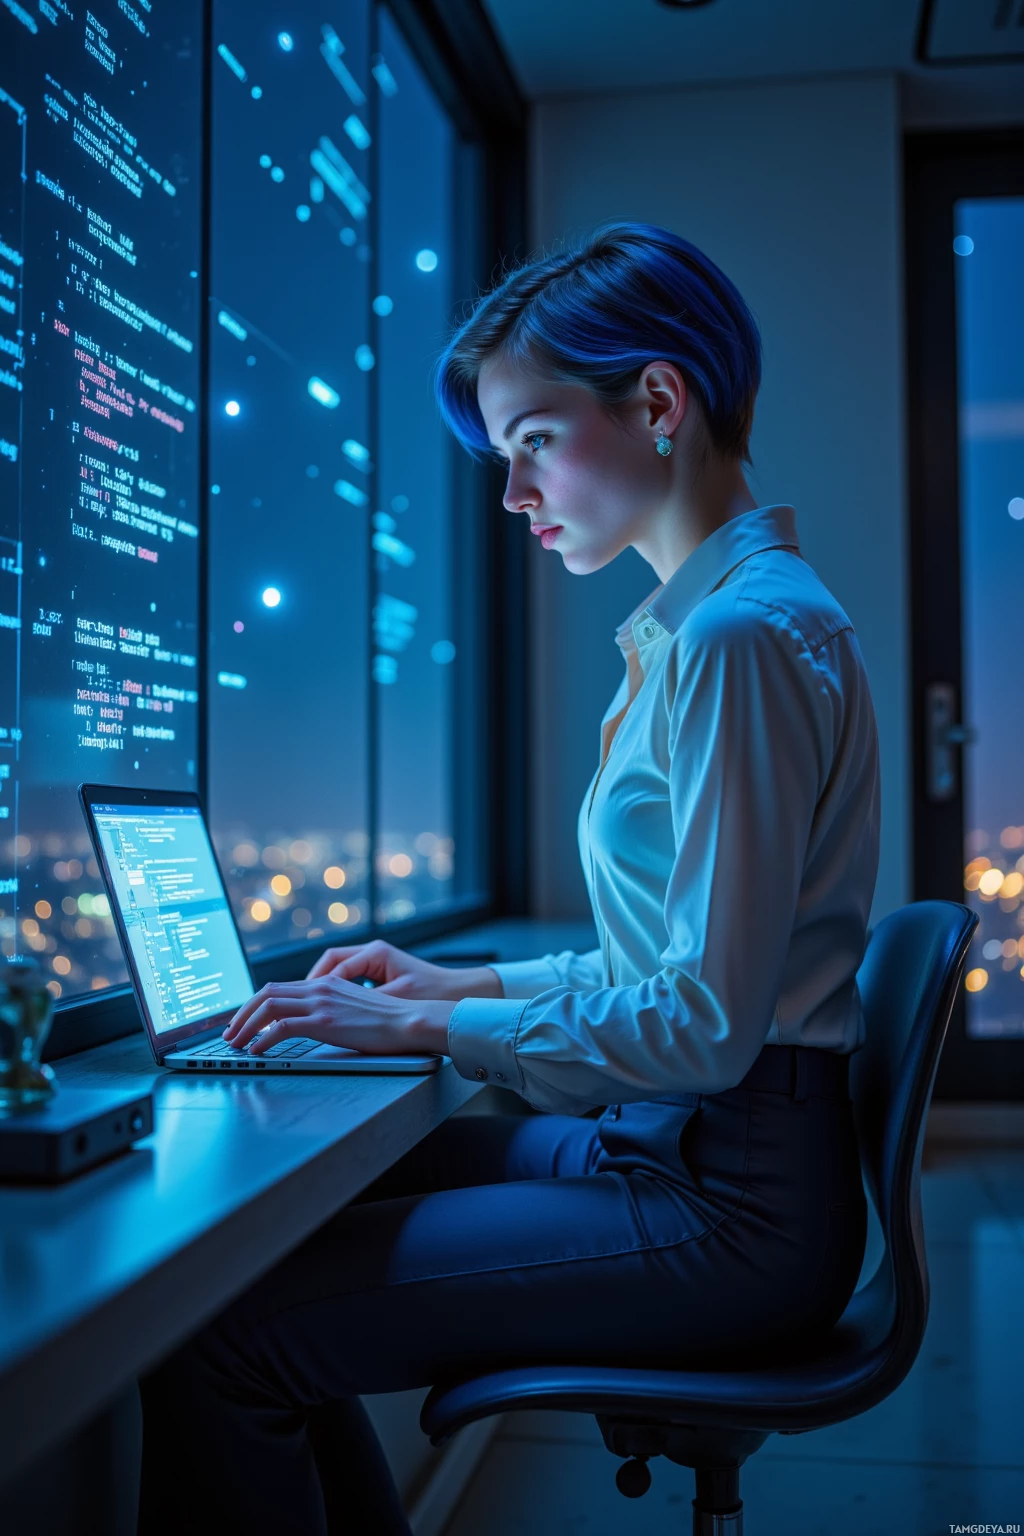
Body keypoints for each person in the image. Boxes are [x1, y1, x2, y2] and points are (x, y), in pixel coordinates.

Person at [138, 221, 879, 1536]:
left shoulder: (738, 639)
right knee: (295, 1254)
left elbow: (704, 1025)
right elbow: (680, 965)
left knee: (221, 1337)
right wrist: (459, 975)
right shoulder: (711, 625)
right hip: (687, 1146)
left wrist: (424, 1023)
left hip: (730, 1204)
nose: (512, 492)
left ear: (657, 403)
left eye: (532, 440)